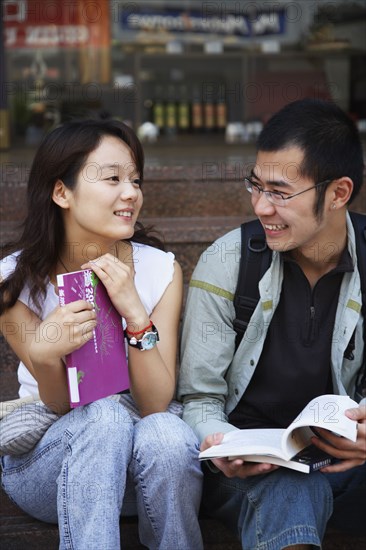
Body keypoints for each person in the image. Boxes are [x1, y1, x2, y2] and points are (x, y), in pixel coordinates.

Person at [0, 119, 203, 550]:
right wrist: (45, 352)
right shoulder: (12, 283)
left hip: (140, 470)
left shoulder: (158, 271)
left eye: (134, 180)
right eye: (112, 179)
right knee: (105, 416)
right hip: (49, 467)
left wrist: (134, 314)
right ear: (62, 193)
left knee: (168, 433)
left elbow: (153, 405)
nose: (131, 193)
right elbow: (57, 403)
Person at [178, 99, 366, 549]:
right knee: (291, 488)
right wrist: (222, 445)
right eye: (255, 186)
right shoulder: (228, 261)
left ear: (338, 193)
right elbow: (199, 399)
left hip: (349, 464)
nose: (262, 207)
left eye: (280, 192)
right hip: (249, 473)